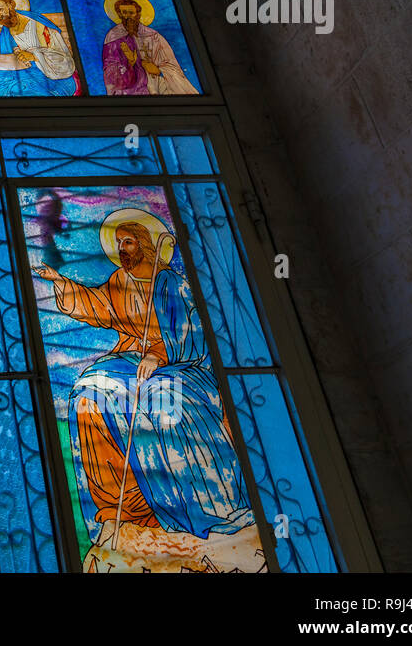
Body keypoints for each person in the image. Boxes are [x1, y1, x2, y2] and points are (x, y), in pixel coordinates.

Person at [32, 211, 255, 551]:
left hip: (182, 367)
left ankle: (187, 504)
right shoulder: (119, 282)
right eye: (118, 242)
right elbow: (97, 305)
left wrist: (159, 354)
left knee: (161, 393)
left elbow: (191, 335)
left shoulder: (171, 282)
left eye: (128, 241)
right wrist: (59, 281)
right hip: (131, 362)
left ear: (146, 244)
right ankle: (122, 508)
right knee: (87, 393)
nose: (122, 248)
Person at [0, 0, 80, 96]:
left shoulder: (38, 24)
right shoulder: (6, 32)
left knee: (20, 90)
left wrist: (34, 56)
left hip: (51, 75)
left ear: (10, 4)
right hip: (23, 72)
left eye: (0, 9)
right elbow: (8, 61)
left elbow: (65, 59)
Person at [101, 0, 197, 95]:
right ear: (119, 14)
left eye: (131, 13)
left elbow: (171, 64)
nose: (128, 16)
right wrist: (130, 63)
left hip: (157, 83)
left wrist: (158, 70)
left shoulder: (153, 36)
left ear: (138, 14)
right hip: (129, 88)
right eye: (124, 13)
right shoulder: (113, 37)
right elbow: (109, 70)